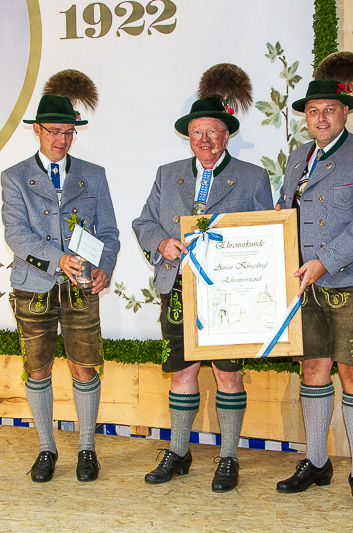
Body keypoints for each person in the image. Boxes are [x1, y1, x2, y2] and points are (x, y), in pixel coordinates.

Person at [133, 95, 273, 493]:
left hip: (229, 292)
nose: (205, 139)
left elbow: (266, 232)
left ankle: (228, 456)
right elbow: (144, 222)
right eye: (197, 132)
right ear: (188, 137)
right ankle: (178, 451)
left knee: (228, 373)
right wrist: (162, 243)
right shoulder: (168, 174)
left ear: (226, 136)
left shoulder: (252, 177)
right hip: (178, 288)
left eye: (213, 131)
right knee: (182, 371)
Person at [274, 75, 353, 512]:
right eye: (313, 111)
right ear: (306, 117)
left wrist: (325, 261)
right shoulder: (297, 157)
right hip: (304, 283)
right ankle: (317, 461)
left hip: (350, 280)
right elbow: (290, 210)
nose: (320, 118)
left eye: (329, 110)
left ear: (345, 112)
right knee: (312, 369)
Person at [1, 84, 120, 484]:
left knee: (84, 366)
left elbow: (109, 233)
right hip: (33, 286)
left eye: (68, 133)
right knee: (37, 369)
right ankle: (46, 448)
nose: (61, 140)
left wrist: (104, 267)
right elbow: (16, 235)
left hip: (81, 287)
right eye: (54, 131)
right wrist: (59, 259)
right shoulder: (14, 177)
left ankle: (87, 448)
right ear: (37, 129)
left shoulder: (93, 175)